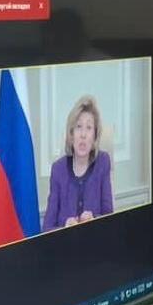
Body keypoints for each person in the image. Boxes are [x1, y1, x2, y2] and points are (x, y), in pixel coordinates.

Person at [42, 95, 114, 231]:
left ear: (95, 136)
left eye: (89, 128)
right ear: (71, 134)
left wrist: (94, 219)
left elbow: (109, 217)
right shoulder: (58, 169)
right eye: (78, 126)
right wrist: (64, 227)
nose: (83, 135)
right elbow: (47, 227)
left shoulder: (103, 162)